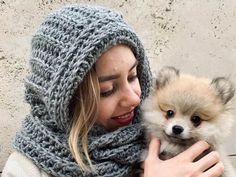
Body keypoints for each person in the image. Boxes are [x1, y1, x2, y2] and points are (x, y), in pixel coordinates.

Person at [2, 4, 224, 177]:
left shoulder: (159, 134)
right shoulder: (27, 168)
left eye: (133, 76)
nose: (133, 98)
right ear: (66, 100)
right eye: (107, 90)